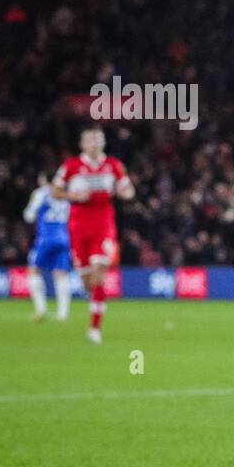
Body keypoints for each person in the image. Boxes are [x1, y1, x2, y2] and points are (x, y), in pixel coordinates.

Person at [53, 126, 134, 344]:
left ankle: (95, 327)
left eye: (98, 139)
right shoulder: (71, 166)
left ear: (104, 142)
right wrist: (73, 195)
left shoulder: (114, 165)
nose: (95, 143)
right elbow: (55, 191)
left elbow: (128, 189)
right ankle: (92, 294)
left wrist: (124, 193)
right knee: (88, 280)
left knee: (100, 273)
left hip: (104, 223)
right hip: (78, 225)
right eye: (90, 140)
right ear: (82, 144)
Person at [23, 174, 73, 322]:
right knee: (61, 274)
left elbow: (29, 216)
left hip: (46, 239)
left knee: (34, 270)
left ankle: (41, 309)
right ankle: (63, 314)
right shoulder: (65, 195)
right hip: (64, 238)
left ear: (43, 179)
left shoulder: (41, 193)